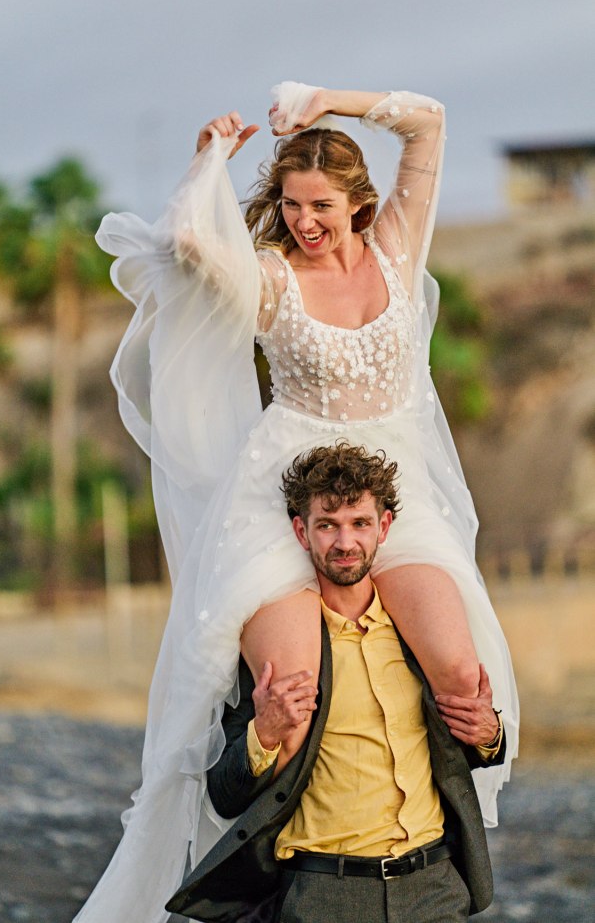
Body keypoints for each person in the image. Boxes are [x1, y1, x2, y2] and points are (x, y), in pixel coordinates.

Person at [74, 83, 518, 923]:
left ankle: (424, 851)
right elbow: (185, 246)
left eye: (320, 205)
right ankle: (275, 872)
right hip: (288, 492)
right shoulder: (272, 276)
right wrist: (210, 158)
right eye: (289, 204)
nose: (305, 220)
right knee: (293, 689)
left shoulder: (396, 246)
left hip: (395, 498)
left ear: (357, 202)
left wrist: (325, 101)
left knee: (463, 671)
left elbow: (428, 122)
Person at [167, 442, 506, 923]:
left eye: (359, 523)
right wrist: (264, 733)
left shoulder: (421, 640)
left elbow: (471, 749)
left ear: (383, 527)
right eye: (328, 525)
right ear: (301, 532)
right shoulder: (276, 653)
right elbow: (225, 793)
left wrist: (490, 735)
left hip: (433, 888)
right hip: (324, 895)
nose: (345, 542)